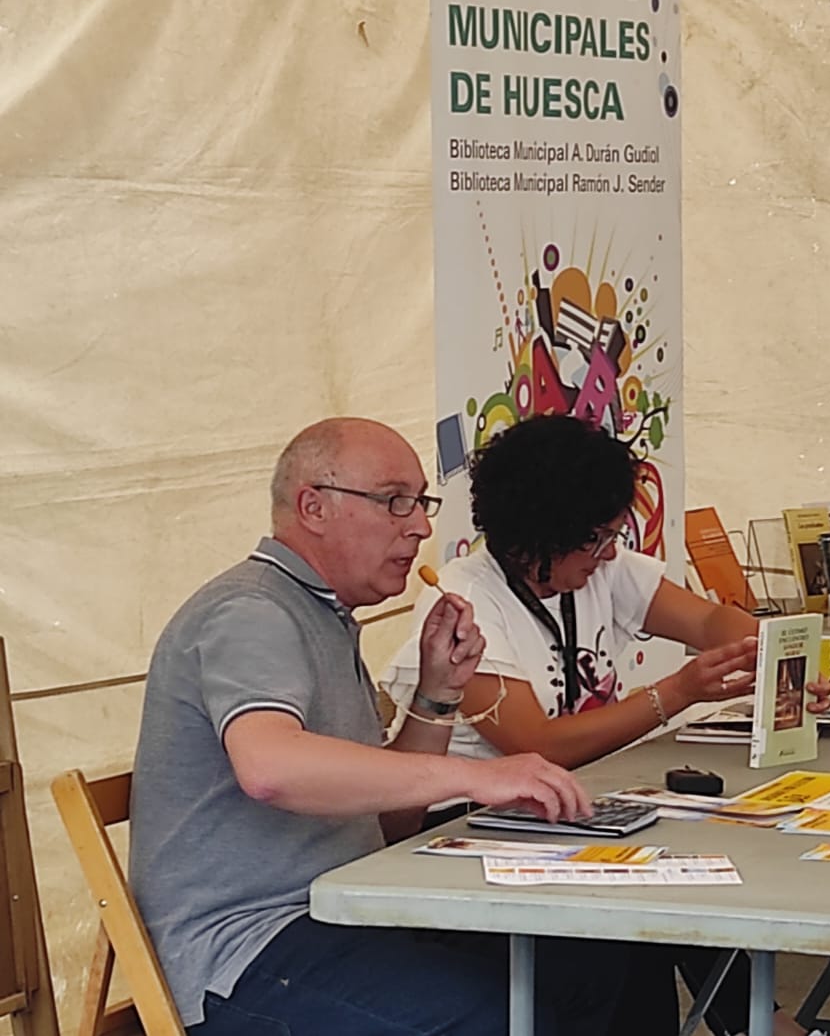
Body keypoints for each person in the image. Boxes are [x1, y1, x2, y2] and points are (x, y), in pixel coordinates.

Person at [129, 417, 624, 1035]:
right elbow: (270, 770)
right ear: (313, 506)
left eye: (421, 503)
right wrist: (477, 775)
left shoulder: (323, 614)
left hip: (346, 908)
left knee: (596, 960)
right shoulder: (250, 611)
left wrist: (438, 696)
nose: (419, 526)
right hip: (249, 950)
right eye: (395, 502)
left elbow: (386, 825)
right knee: (498, 1020)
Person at [380, 414, 830, 1036]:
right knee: (638, 907)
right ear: (541, 532)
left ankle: (757, 1020)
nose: (609, 552)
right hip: (469, 827)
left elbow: (708, 624)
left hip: (566, 810)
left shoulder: (600, 570)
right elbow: (539, 745)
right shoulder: (463, 604)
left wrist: (778, 658)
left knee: (690, 861)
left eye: (614, 533)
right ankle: (759, 1023)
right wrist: (676, 692)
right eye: (594, 537)